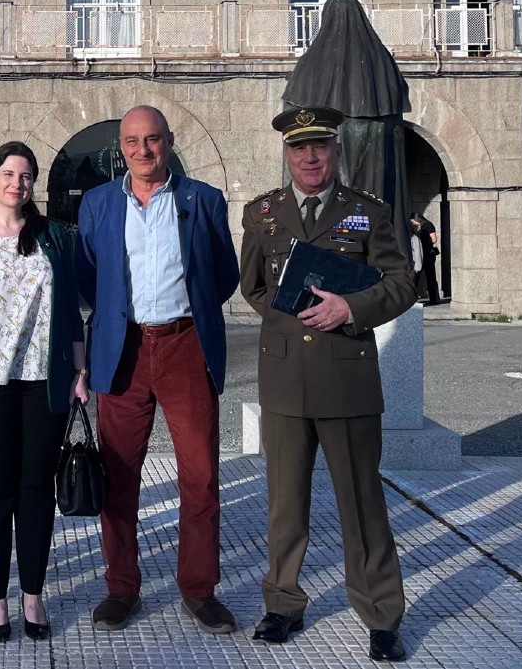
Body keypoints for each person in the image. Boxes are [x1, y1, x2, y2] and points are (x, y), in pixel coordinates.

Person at [238, 106, 416, 662]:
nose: (309, 157)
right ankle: (283, 604)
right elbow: (254, 287)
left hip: (346, 375)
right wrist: (294, 317)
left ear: (336, 151)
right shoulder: (262, 213)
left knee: (362, 503)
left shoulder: (367, 212)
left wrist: (349, 308)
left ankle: (381, 614)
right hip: (286, 375)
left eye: (319, 146)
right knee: (285, 503)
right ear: (287, 153)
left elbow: (401, 284)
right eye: (299, 148)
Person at [76, 105, 240, 634]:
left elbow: (223, 275)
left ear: (169, 141)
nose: (142, 150)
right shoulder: (98, 203)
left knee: (201, 476)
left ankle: (199, 589)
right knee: (119, 477)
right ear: (120, 148)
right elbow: (88, 277)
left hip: (185, 346)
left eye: (152, 140)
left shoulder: (203, 200)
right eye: (131, 141)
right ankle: (121, 588)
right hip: (123, 349)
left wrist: (188, 314)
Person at [0, 141, 89, 643]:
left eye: (25, 176)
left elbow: (69, 312)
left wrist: (80, 372)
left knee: (35, 490)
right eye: (7, 173)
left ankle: (32, 594)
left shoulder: (54, 237)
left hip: (44, 382)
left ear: (33, 184)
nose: (16, 183)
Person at [410, 212, 440, 304]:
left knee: (430, 276)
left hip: (428, 254)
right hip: (422, 253)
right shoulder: (422, 226)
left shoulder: (428, 225)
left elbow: (434, 239)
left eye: (413, 221)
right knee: (417, 275)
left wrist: (423, 240)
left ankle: (434, 299)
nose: (413, 224)